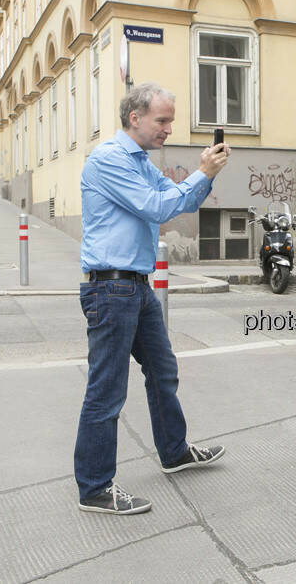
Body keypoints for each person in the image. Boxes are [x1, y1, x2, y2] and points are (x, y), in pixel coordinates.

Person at [75, 82, 230, 515]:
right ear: (135, 118)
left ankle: (174, 451)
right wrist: (200, 173)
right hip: (111, 288)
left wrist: (207, 174)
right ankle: (94, 487)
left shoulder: (139, 162)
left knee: (163, 370)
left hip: (135, 287)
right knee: (106, 391)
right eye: (162, 121)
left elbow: (176, 201)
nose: (167, 130)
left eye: (169, 122)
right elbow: (157, 207)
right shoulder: (110, 159)